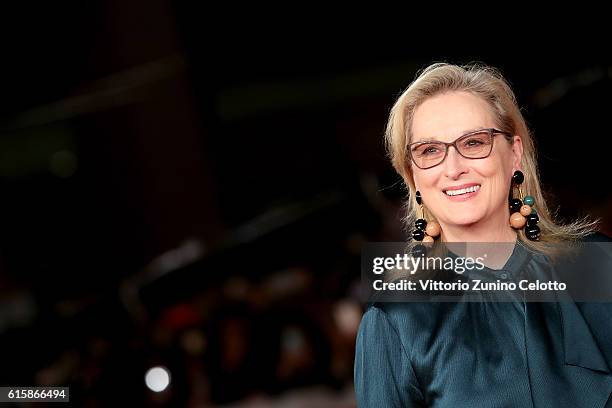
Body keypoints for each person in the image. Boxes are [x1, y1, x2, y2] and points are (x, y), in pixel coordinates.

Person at [354, 63, 612, 407]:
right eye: (430, 150)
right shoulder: (395, 320)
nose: (454, 168)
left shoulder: (599, 267)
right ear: (412, 175)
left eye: (474, 143)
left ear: (515, 153)